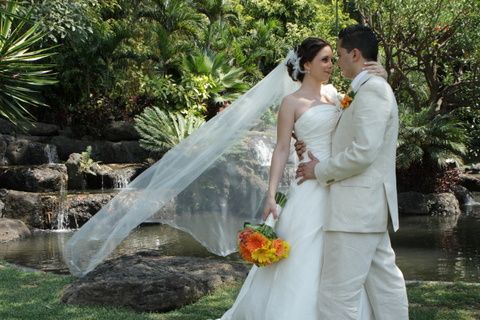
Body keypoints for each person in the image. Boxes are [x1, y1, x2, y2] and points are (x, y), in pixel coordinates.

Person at [219, 36, 387, 320]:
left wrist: (381, 74)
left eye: (333, 58)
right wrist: (271, 194)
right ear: (306, 65)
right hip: (309, 188)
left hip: (339, 185)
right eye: (324, 59)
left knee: (341, 261)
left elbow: (360, 118)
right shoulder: (291, 103)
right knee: (303, 259)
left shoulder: (336, 96)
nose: (331, 65)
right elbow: (282, 148)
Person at [295, 25, 409, 319]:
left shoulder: (373, 91)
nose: (336, 62)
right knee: (385, 285)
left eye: (340, 54)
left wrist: (320, 170)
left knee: (337, 296)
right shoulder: (365, 88)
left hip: (354, 212)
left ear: (354, 53)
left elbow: (363, 151)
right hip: (365, 209)